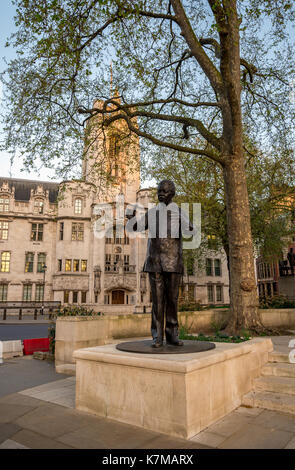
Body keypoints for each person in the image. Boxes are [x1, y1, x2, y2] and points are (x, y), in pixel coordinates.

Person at [126, 180, 195, 348]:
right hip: (155, 261)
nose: (161, 194)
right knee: (157, 302)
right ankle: (157, 336)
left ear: (172, 193)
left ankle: (172, 335)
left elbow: (191, 232)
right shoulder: (152, 213)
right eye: (159, 191)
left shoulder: (179, 212)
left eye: (164, 191)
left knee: (172, 300)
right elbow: (136, 228)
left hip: (173, 261)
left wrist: (188, 227)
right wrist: (132, 218)